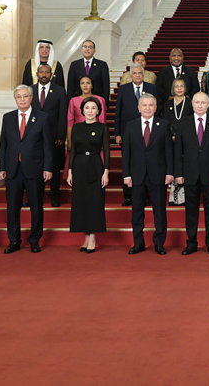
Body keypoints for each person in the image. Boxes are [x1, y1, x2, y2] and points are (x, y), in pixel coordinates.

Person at [0, 85, 53, 254]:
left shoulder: (42, 118)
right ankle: (14, 240)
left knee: (36, 206)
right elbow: (3, 145)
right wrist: (1, 167)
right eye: (18, 97)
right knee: (12, 207)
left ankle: (35, 240)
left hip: (35, 169)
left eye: (25, 96)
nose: (22, 99)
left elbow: (47, 145)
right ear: (15, 99)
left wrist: (48, 167)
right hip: (13, 170)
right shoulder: (8, 118)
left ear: (31, 98)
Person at [174, 92, 209, 256]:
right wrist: (178, 173)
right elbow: (178, 152)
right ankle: (191, 243)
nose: (200, 105)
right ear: (192, 104)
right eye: (197, 102)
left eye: (203, 102)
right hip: (189, 174)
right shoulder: (183, 124)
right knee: (191, 210)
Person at [123, 93, 174, 254]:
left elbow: (169, 151)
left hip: (158, 174)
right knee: (137, 211)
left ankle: (159, 242)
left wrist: (170, 173)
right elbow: (126, 152)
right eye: (144, 105)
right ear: (139, 108)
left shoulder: (163, 125)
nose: (148, 108)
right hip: (136, 174)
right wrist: (126, 175)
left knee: (159, 211)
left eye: (151, 105)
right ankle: (138, 243)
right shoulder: (130, 126)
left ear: (155, 107)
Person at [66, 97, 110, 253]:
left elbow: (107, 151)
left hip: (96, 165)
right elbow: (72, 151)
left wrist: (106, 172)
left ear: (98, 111)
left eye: (93, 108)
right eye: (87, 108)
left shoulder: (102, 127)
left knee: (95, 201)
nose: (90, 111)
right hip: (79, 166)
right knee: (81, 202)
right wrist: (70, 171)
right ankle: (85, 236)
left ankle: (93, 237)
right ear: (82, 110)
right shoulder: (76, 127)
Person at [114, 62, 157, 206]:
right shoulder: (123, 89)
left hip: (147, 132)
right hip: (127, 132)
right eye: (135, 73)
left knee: (145, 163)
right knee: (127, 162)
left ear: (143, 75)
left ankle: (145, 196)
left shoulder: (151, 88)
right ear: (130, 75)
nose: (138, 75)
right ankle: (128, 196)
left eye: (140, 73)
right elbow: (118, 111)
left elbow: (157, 110)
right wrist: (118, 133)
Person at [30, 64, 68, 208]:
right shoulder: (30, 90)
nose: (44, 75)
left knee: (54, 167)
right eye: (41, 72)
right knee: (34, 167)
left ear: (51, 74)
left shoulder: (59, 91)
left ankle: (54, 195)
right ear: (37, 73)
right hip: (33, 137)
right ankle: (34, 196)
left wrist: (61, 136)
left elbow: (63, 115)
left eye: (47, 72)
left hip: (53, 137)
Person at [163, 78, 194, 206]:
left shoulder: (190, 103)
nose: (179, 88)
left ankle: (184, 198)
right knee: (173, 165)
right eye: (177, 86)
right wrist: (172, 135)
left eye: (182, 86)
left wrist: (181, 136)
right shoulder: (167, 104)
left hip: (187, 140)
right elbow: (165, 122)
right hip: (171, 140)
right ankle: (174, 198)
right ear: (173, 88)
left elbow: (193, 121)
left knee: (185, 166)